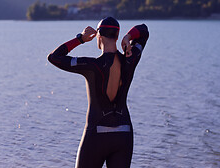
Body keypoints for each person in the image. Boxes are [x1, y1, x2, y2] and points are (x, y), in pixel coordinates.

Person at [48, 17, 149, 168]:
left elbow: (54, 57)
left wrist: (80, 39)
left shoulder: (91, 65)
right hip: (124, 133)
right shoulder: (131, 58)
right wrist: (128, 37)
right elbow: (143, 30)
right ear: (116, 36)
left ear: (99, 36)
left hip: (97, 134)